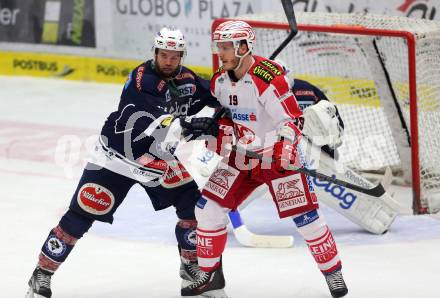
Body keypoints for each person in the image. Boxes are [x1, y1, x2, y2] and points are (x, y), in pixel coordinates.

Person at [26, 27, 221, 298]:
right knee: (80, 216)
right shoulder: (143, 79)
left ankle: (191, 272)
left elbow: (217, 94)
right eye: (164, 55)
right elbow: (147, 119)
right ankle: (41, 275)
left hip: (156, 160)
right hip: (115, 159)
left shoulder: (186, 78)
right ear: (154, 53)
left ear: (181, 56)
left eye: (175, 56)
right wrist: (189, 124)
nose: (169, 61)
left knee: (191, 206)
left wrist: (236, 92)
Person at [180, 20, 349, 298]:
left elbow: (293, 118)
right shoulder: (220, 81)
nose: (221, 54)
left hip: (277, 160)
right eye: (219, 47)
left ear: (244, 47)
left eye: (226, 48)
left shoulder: (267, 77)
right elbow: (228, 118)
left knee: (307, 220)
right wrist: (211, 128)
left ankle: (334, 274)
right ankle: (210, 276)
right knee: (206, 209)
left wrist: (283, 147)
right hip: (242, 157)